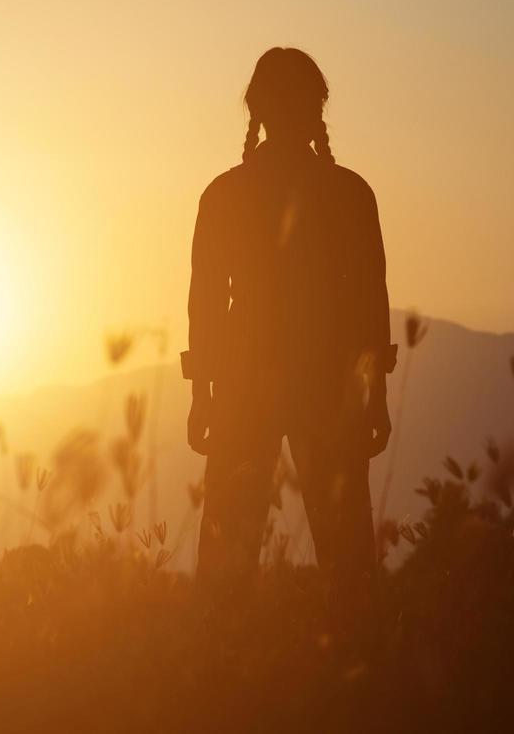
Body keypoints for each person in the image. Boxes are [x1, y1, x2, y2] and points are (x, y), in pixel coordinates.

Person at [182, 47, 395, 608]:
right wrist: (376, 398)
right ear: (317, 106)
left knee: (227, 559)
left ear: (254, 108)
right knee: (348, 556)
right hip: (327, 382)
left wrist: (202, 395)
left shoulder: (224, 194)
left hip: (242, 382)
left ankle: (214, 671)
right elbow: (369, 303)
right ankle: (356, 665)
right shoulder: (350, 193)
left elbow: (204, 303)